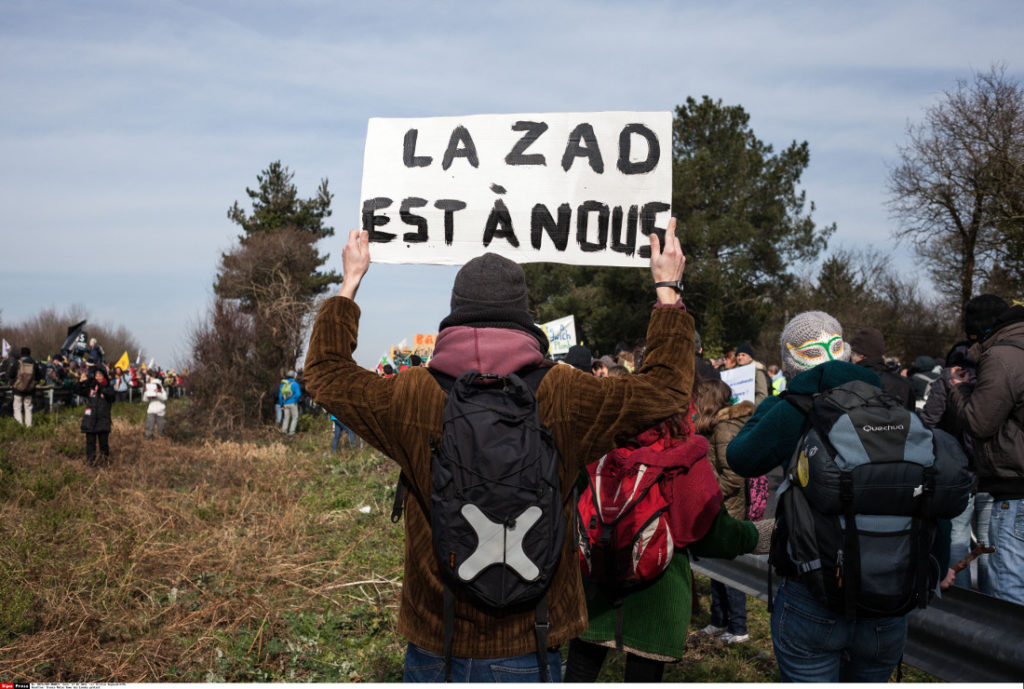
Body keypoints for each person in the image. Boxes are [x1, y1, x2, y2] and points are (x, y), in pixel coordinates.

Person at [304, 221, 691, 682]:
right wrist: (667, 290)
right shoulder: (566, 394)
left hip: (436, 642)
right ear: (523, 317)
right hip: (531, 640)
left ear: (454, 314)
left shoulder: (412, 394)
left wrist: (350, 281)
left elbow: (325, 374)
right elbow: (666, 389)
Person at [726, 311, 953, 683]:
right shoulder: (891, 404)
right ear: (845, 352)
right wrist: (938, 565)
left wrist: (774, 403)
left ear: (792, 361)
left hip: (812, 594)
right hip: (889, 600)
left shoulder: (791, 408)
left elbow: (740, 458)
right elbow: (928, 488)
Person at [564, 408, 771, 682]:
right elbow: (712, 535)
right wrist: (761, 536)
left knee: (579, 673)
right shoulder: (683, 457)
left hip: (595, 589)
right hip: (658, 600)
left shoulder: (598, 446)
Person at [948, 297, 1024, 606]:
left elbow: (979, 422)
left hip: (1015, 492)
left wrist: (959, 389)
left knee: (1010, 593)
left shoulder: (1002, 356)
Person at [694, 378, 758, 644]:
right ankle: (719, 621)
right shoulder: (717, 427)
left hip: (727, 511)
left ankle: (739, 627)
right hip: (720, 508)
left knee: (731, 572)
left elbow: (733, 476)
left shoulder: (724, 429)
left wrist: (710, 497)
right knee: (716, 569)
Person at [848, 327, 915, 410]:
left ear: (861, 355)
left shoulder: (851, 383)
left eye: (852, 353)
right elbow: (912, 420)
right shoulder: (905, 385)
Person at [76, 365, 115, 466]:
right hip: (90, 420)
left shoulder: (108, 388)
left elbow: (111, 396)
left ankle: (105, 463)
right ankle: (90, 463)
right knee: (90, 443)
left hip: (103, 420)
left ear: (104, 376)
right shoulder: (91, 388)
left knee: (103, 444)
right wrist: (81, 382)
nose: (98, 377)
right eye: (96, 375)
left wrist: (99, 387)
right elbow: (77, 390)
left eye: (100, 375)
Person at [8, 346, 40, 427]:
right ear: (29, 353)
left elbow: (11, 374)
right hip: (30, 389)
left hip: (18, 389)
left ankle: (19, 426)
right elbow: (39, 376)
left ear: (21, 353)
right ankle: (28, 427)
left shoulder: (17, 362)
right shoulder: (33, 363)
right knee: (28, 408)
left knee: (17, 407)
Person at [143, 373, 169, 439]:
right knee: (149, 427)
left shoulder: (162, 391)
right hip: (151, 411)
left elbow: (164, 398)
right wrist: (146, 393)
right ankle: (147, 438)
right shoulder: (150, 391)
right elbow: (145, 400)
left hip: (161, 411)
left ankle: (161, 440)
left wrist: (157, 393)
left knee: (161, 427)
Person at [279, 369, 300, 435]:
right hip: (293, 403)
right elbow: (298, 394)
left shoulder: (283, 384)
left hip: (285, 403)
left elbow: (280, 395)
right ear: (294, 376)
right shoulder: (295, 384)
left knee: (286, 417)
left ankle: (284, 431)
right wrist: (295, 401)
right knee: (295, 417)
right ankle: (291, 432)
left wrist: (281, 404)